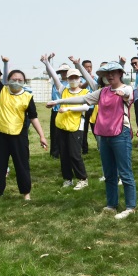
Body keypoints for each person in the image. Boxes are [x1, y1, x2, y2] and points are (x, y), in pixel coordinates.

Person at [49, 60, 136, 219]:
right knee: (109, 173)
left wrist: (122, 93)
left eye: (113, 73)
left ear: (120, 74)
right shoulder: (103, 92)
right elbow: (83, 99)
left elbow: (128, 93)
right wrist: (59, 101)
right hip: (104, 135)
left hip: (120, 134)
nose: (110, 76)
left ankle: (130, 207)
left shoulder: (126, 88)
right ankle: (111, 204)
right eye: (107, 74)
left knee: (125, 172)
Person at [0, 41, 48, 206]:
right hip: (1, 135)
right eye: (14, 79)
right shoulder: (2, 90)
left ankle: (26, 194)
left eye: (20, 79)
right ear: (8, 80)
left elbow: (33, 117)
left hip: (19, 136)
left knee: (22, 165)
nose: (16, 81)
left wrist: (42, 136)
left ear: (24, 81)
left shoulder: (27, 97)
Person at [42, 54, 93, 191]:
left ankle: (82, 179)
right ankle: (67, 179)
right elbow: (54, 76)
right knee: (64, 154)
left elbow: (85, 107)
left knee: (74, 154)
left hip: (76, 127)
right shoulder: (63, 90)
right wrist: (46, 63)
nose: (73, 80)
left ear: (80, 78)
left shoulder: (84, 91)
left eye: (76, 77)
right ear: (67, 79)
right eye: (71, 78)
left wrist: (68, 108)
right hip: (61, 126)